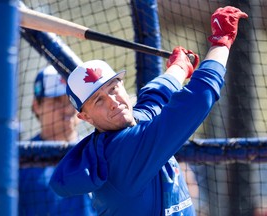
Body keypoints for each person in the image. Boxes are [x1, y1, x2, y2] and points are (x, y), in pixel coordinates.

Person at [49, 6, 248, 216]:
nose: (113, 102)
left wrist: (180, 67)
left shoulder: (131, 124)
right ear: (85, 117)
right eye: (98, 100)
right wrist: (221, 41)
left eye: (113, 88)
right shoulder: (121, 153)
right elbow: (196, 99)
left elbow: (154, 99)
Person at [19, 65, 97, 215]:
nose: (66, 108)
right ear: (36, 106)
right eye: (55, 100)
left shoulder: (100, 153)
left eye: (70, 100)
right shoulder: (19, 161)